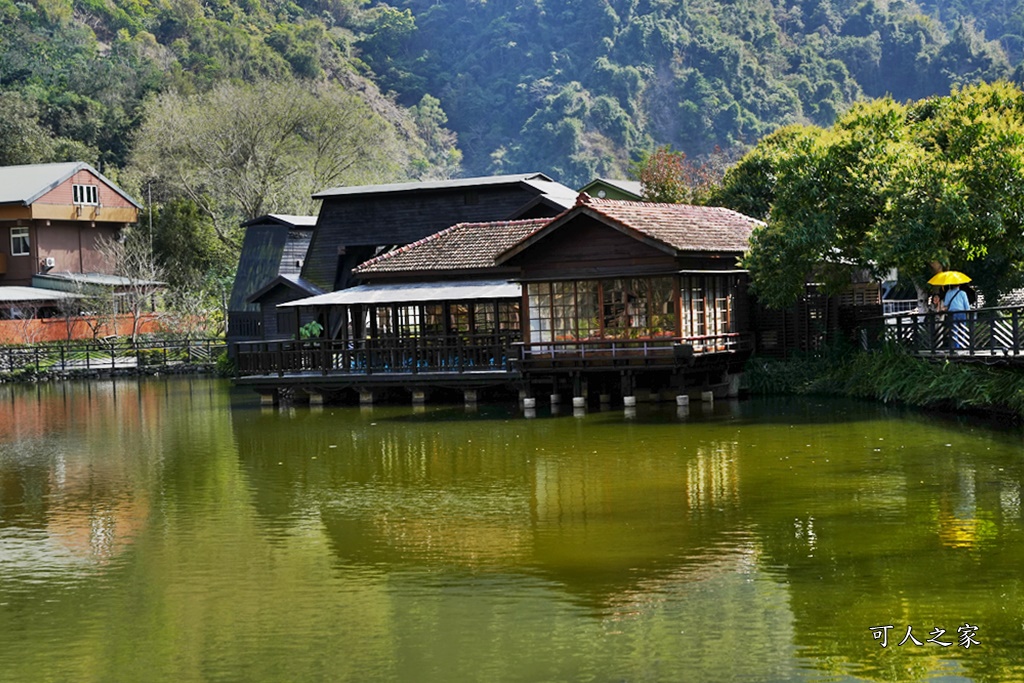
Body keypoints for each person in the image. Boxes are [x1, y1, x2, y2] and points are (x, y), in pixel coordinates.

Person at [943, 284, 970, 349]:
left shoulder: (948, 293)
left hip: (952, 313)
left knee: (954, 330)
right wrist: (968, 313)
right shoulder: (963, 293)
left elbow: (946, 304)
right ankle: (963, 345)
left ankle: (955, 346)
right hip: (961, 312)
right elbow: (966, 305)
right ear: (959, 285)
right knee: (962, 329)